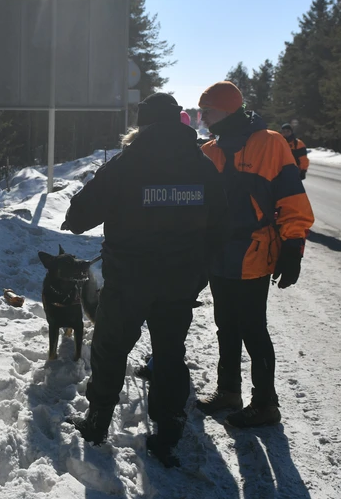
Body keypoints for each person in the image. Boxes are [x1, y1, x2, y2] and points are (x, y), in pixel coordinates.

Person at [61, 93, 229, 467]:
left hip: (129, 280)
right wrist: (200, 268)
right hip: (180, 282)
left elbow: (79, 216)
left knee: (110, 347)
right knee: (170, 353)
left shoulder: (127, 162)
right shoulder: (200, 165)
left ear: (144, 124)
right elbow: (222, 222)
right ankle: (169, 430)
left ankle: (97, 420)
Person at [195, 81, 314, 428]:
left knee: (252, 328)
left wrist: (294, 245)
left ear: (228, 109)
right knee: (225, 326)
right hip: (219, 253)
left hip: (254, 250)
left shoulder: (270, 142)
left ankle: (266, 404)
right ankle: (229, 391)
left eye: (208, 111)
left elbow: (292, 196)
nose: (203, 117)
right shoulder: (210, 151)